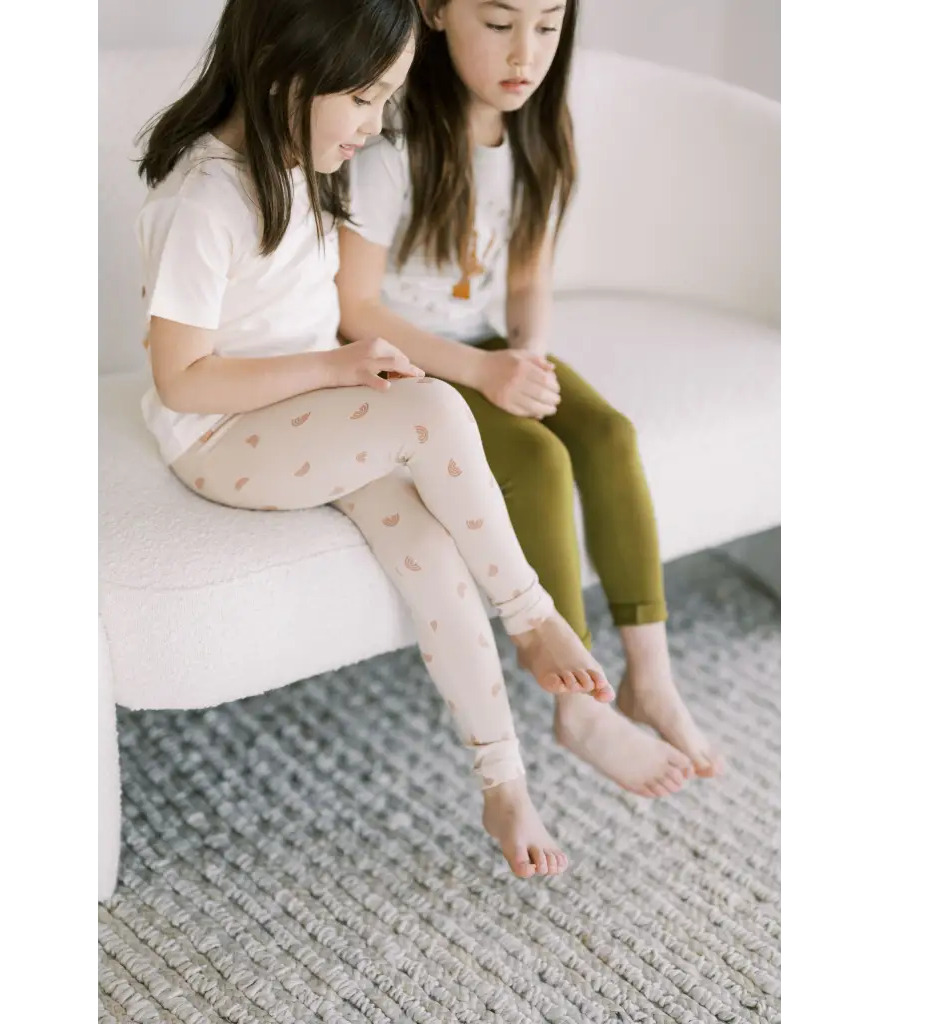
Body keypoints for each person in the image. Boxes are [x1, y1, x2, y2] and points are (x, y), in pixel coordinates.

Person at [134, 0, 616, 878]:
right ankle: (533, 615)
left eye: (385, 101)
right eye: (362, 98)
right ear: (287, 69)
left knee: (429, 550)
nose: (374, 124)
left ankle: (502, 779)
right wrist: (338, 368)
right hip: (221, 436)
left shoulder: (296, 159)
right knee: (433, 407)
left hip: (307, 420)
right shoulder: (205, 200)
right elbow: (181, 380)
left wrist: (341, 367)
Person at [338, 0, 722, 795]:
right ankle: (576, 702)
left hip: (487, 350)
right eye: (501, 23)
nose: (527, 53)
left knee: (608, 433)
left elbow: (526, 276)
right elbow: (355, 309)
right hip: (405, 366)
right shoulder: (392, 146)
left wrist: (528, 360)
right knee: (538, 462)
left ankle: (650, 675)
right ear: (437, 14)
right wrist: (482, 377)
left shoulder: (536, 131)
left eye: (547, 26)